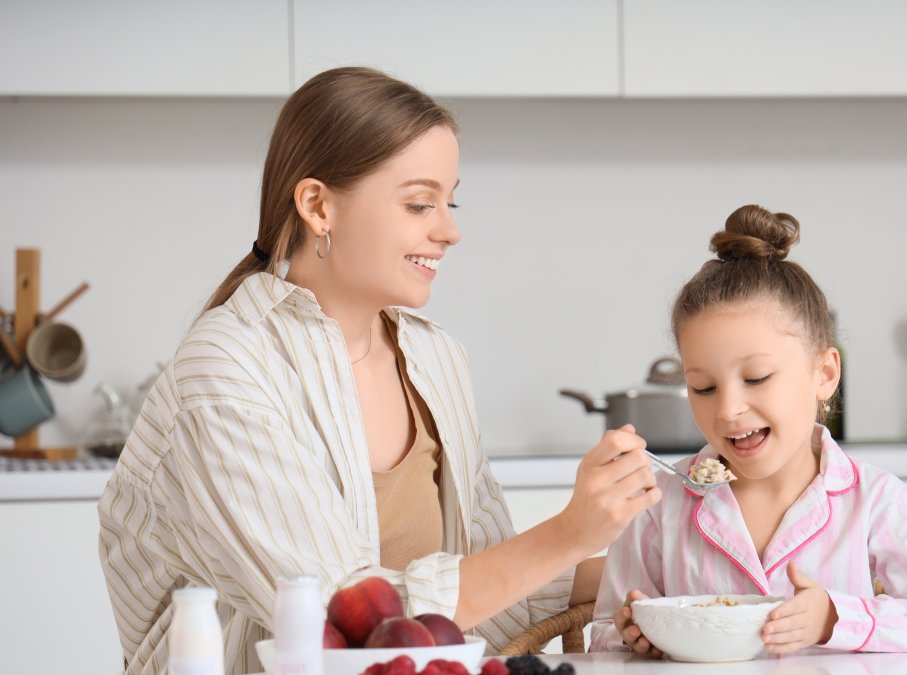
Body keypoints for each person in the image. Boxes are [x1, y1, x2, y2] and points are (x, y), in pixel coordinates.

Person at [97, 67, 660, 675]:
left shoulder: (436, 359)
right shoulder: (225, 372)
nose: (449, 230)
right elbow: (338, 624)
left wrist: (657, 581)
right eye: (419, 204)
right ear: (318, 206)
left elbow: (486, 592)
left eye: (450, 201)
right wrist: (569, 533)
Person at [590, 204, 907, 655]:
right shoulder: (657, 507)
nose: (728, 409)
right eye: (703, 387)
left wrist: (836, 618)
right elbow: (604, 631)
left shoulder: (877, 502)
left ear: (824, 374)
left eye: (756, 378)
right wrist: (633, 637)